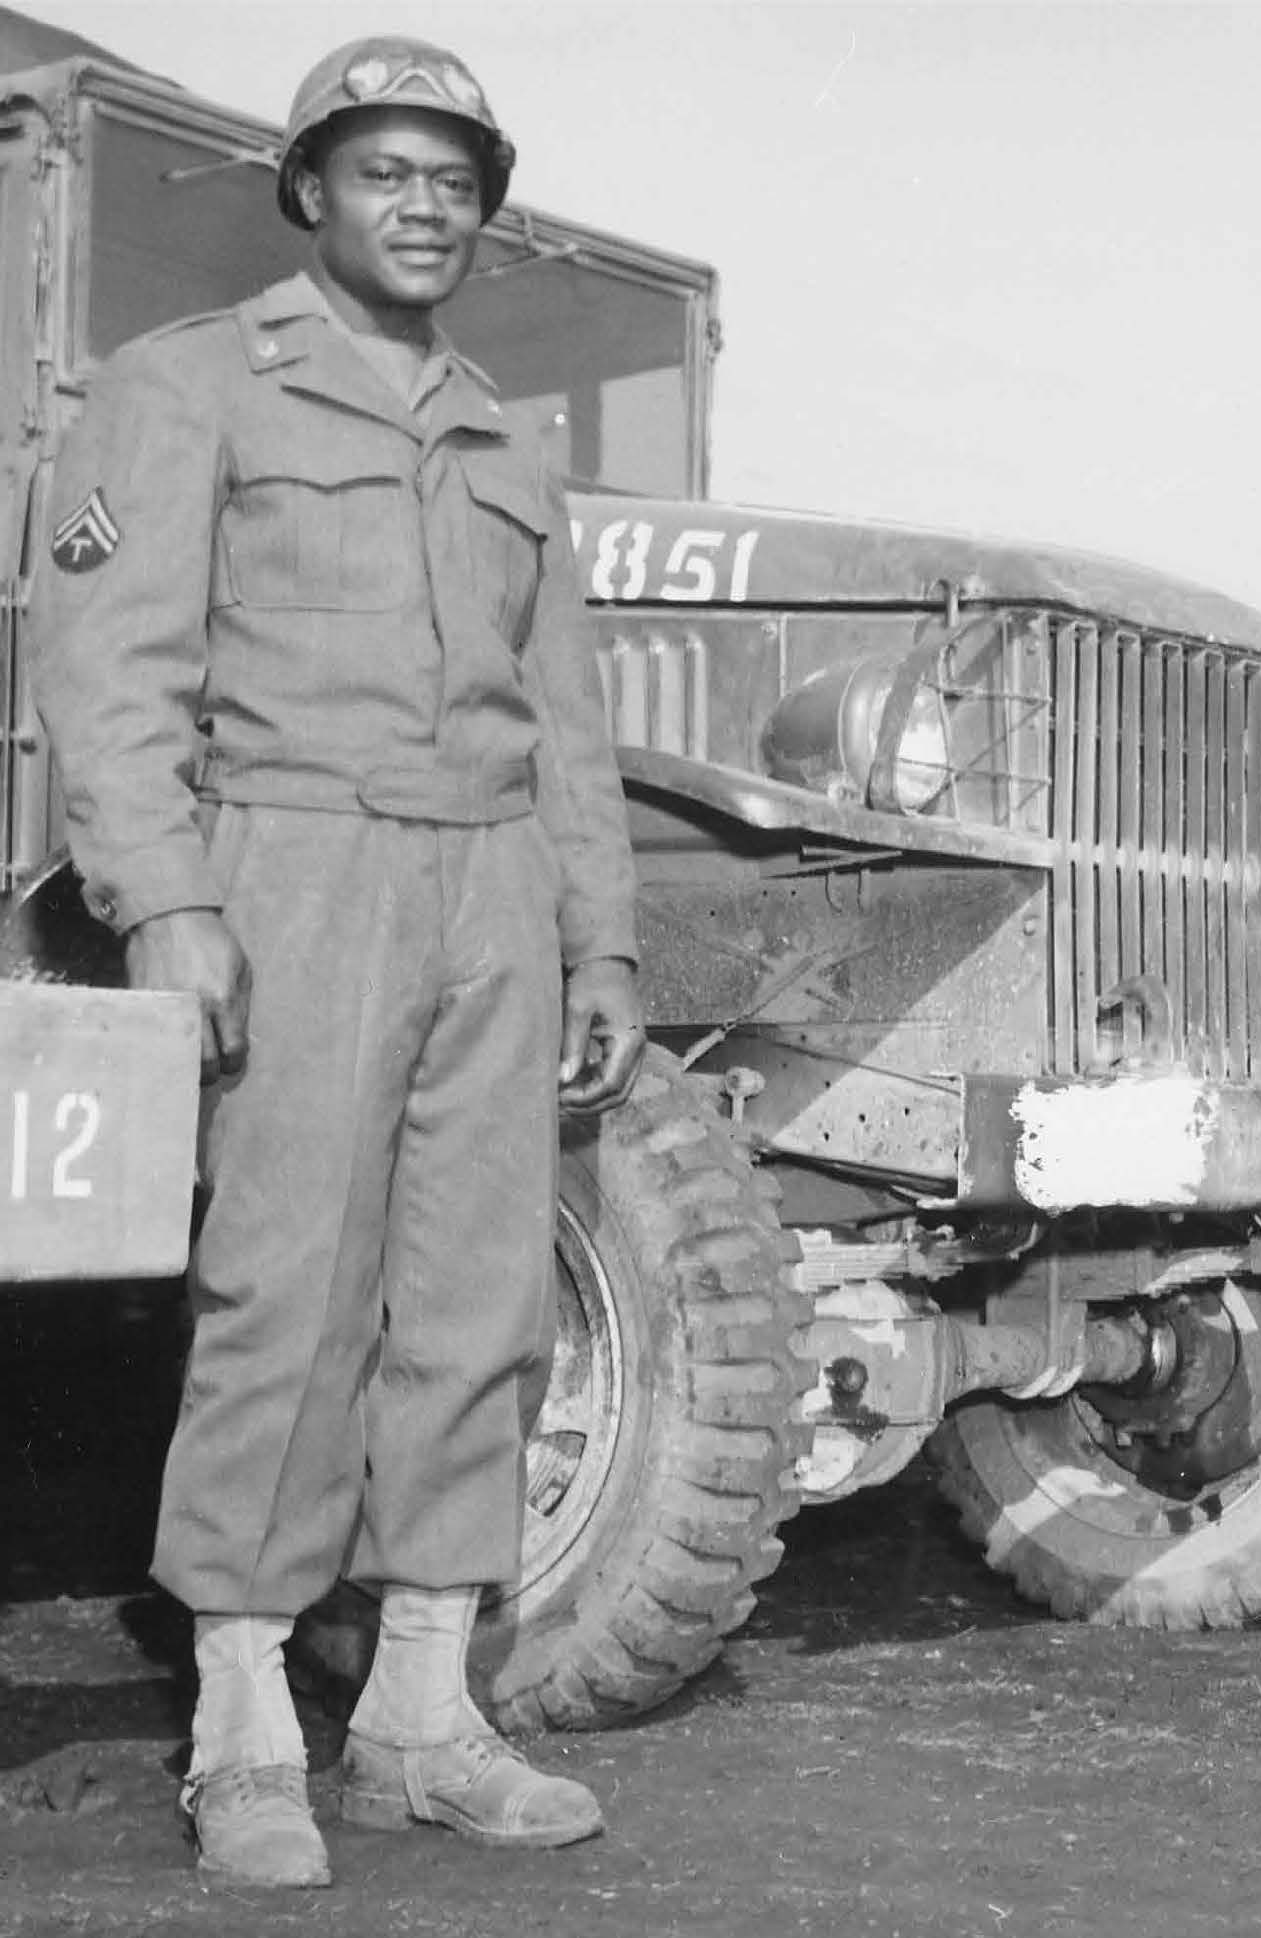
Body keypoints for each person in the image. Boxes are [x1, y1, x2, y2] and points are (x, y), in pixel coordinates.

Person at [31, 37, 647, 1888]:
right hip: (289, 862)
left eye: (455, 178)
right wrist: (169, 900)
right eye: (385, 171)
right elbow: (107, 669)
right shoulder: (190, 383)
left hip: (490, 891)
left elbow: (568, 724)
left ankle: (420, 1720)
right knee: (284, 1294)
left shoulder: (500, 430)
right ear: (309, 189)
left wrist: (597, 933)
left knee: (478, 1305)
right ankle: (237, 1726)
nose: (425, 204)